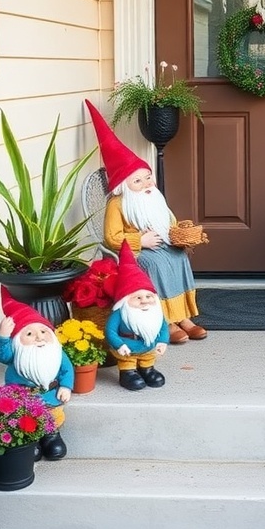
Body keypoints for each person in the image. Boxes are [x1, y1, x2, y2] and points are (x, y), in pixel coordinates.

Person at [85, 100, 207, 345]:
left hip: (161, 242)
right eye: (137, 181)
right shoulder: (118, 204)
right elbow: (111, 237)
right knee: (157, 265)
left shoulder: (154, 198)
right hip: (137, 251)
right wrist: (140, 240)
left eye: (148, 177)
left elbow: (169, 219)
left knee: (179, 257)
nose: (146, 184)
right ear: (124, 187)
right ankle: (166, 320)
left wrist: (177, 233)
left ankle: (184, 316)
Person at [0, 288, 74, 460]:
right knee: (27, 420)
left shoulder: (56, 354)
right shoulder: (15, 355)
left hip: (50, 395)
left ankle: (52, 437)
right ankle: (32, 440)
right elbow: (1, 355)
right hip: (23, 398)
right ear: (18, 341)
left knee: (54, 416)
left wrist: (66, 386)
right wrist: (2, 337)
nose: (39, 337)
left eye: (43, 331)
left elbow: (67, 369)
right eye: (29, 333)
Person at [104, 240, 169, 390]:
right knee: (128, 363)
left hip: (148, 348)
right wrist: (119, 344)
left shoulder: (155, 313)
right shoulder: (121, 313)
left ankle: (147, 370)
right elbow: (110, 331)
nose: (144, 301)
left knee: (148, 361)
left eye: (148, 296)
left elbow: (163, 327)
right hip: (128, 349)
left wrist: (162, 341)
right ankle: (128, 372)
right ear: (126, 301)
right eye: (138, 298)